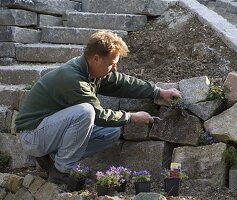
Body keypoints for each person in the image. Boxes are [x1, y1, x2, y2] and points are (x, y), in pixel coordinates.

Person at [15, 31, 181, 188]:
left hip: (49, 131)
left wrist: (158, 92)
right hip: (32, 135)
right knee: (86, 112)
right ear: (96, 58)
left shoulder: (92, 72)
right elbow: (98, 114)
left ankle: (53, 159)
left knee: (111, 132)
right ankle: (61, 172)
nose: (114, 68)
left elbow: (122, 82)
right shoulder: (73, 79)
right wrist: (131, 117)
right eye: (111, 64)